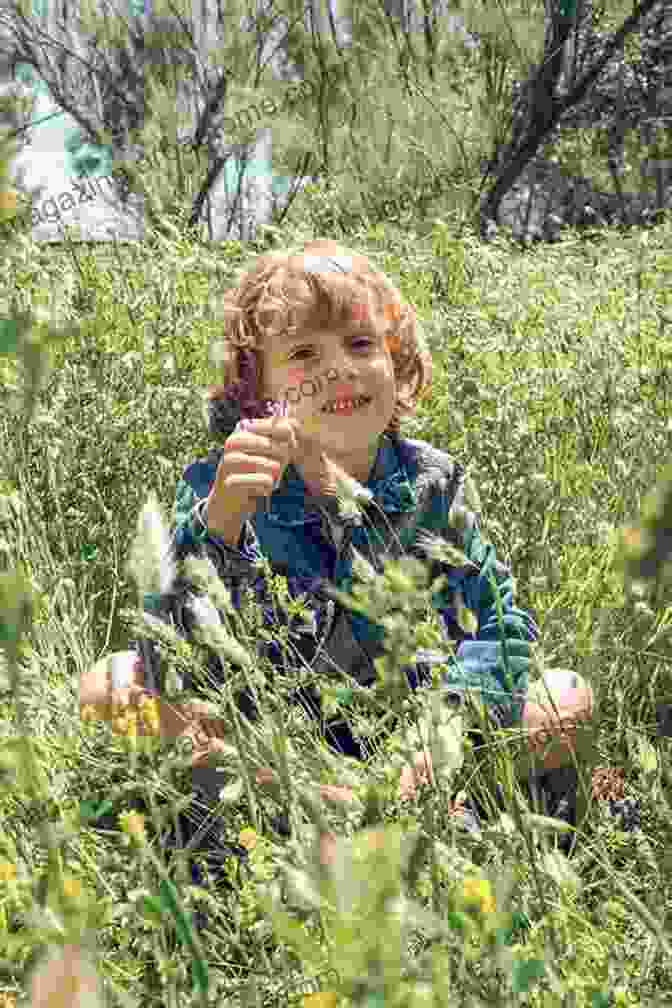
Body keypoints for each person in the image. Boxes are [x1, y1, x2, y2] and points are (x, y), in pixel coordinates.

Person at [79, 238, 597, 883]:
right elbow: (170, 664)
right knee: (111, 684)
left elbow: (501, 631)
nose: (339, 371)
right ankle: (307, 818)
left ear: (395, 359)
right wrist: (218, 524)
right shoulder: (226, 487)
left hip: (413, 739)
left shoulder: (433, 487)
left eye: (359, 345)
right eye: (303, 355)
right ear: (258, 394)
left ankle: (425, 815)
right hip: (273, 744)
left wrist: (437, 745)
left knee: (564, 697)